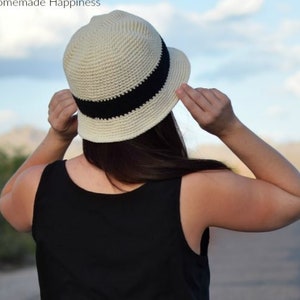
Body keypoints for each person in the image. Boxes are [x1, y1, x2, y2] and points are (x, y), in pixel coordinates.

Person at [0, 10, 299, 300]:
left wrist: (58, 136)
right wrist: (230, 128)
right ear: (165, 98)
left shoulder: (38, 188)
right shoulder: (194, 190)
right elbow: (293, 197)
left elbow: (7, 202)